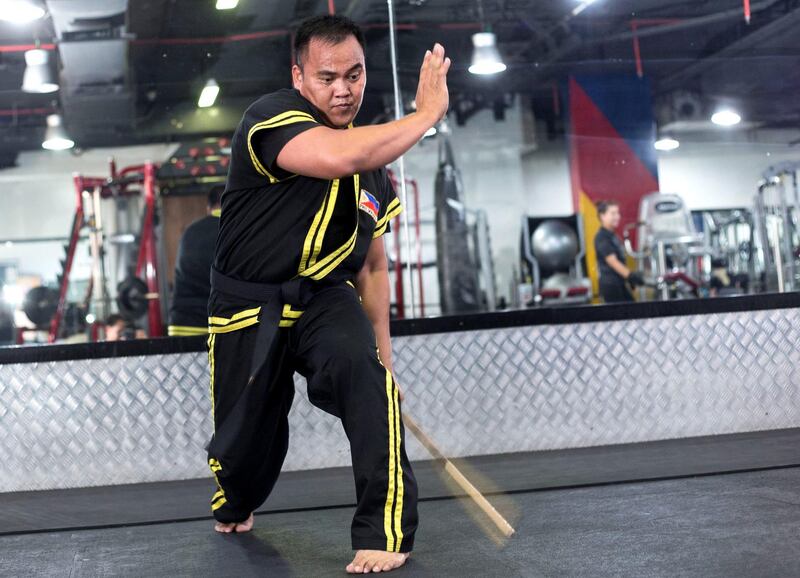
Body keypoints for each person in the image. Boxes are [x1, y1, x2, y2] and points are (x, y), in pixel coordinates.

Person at [205, 15, 450, 574]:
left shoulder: (377, 176)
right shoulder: (270, 119)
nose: (344, 89)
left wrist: (384, 359)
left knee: (368, 384)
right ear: (299, 78)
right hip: (249, 303)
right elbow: (340, 156)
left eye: (355, 74)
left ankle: (385, 531)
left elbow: (372, 266)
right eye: (328, 77)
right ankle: (238, 497)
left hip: (324, 298)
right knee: (243, 454)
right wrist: (425, 115)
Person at [168, 186, 224, 336]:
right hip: (220, 324)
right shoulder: (234, 230)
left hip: (181, 324)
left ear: (208, 208)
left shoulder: (190, 231)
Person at [594, 200, 643, 303]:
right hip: (611, 286)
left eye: (618, 213)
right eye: (613, 213)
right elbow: (612, 261)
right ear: (602, 216)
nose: (617, 217)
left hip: (620, 283)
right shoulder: (602, 237)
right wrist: (630, 276)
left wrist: (628, 278)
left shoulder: (613, 235)